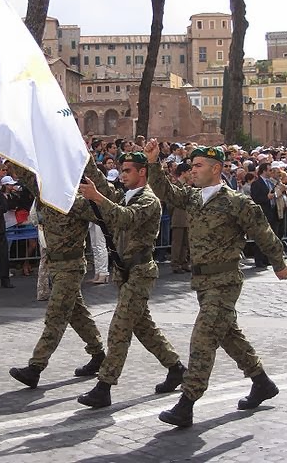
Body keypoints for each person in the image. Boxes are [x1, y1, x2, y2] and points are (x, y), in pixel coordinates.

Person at [144, 141, 287, 428]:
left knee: (203, 338)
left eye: (198, 166)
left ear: (216, 168)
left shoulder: (237, 202)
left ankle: (186, 403)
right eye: (192, 165)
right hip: (202, 280)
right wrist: (152, 163)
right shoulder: (193, 198)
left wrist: (278, 263)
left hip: (225, 281)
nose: (192, 170)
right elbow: (164, 191)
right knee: (227, 334)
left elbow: (264, 232)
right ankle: (261, 382)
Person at [77, 153, 186, 409]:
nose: (123, 175)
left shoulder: (148, 200)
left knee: (120, 327)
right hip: (124, 272)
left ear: (142, 173)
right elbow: (104, 188)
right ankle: (176, 367)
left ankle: (104, 386)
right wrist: (87, 159)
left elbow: (124, 218)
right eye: (121, 170)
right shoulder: (126, 195)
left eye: (128, 171)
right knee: (143, 327)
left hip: (140, 271)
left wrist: (97, 198)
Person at [9, 192, 106, 390]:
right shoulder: (47, 197)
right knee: (78, 314)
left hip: (71, 266)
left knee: (56, 315)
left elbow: (105, 214)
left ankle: (35, 368)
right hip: (56, 265)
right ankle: (98, 355)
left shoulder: (76, 201)